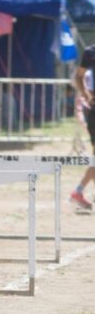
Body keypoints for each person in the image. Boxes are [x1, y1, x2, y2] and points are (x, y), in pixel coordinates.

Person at [70, 46, 95, 210]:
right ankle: (78, 191)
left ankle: (78, 192)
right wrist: (87, 96)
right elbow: (78, 77)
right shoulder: (90, 52)